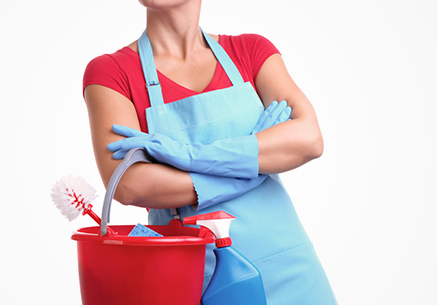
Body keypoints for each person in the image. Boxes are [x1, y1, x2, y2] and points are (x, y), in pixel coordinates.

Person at [82, 1, 337, 304]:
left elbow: (308, 139)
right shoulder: (112, 72)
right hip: (194, 280)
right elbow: (130, 184)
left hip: (290, 267)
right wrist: (251, 169)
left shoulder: (251, 51)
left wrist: (186, 155)